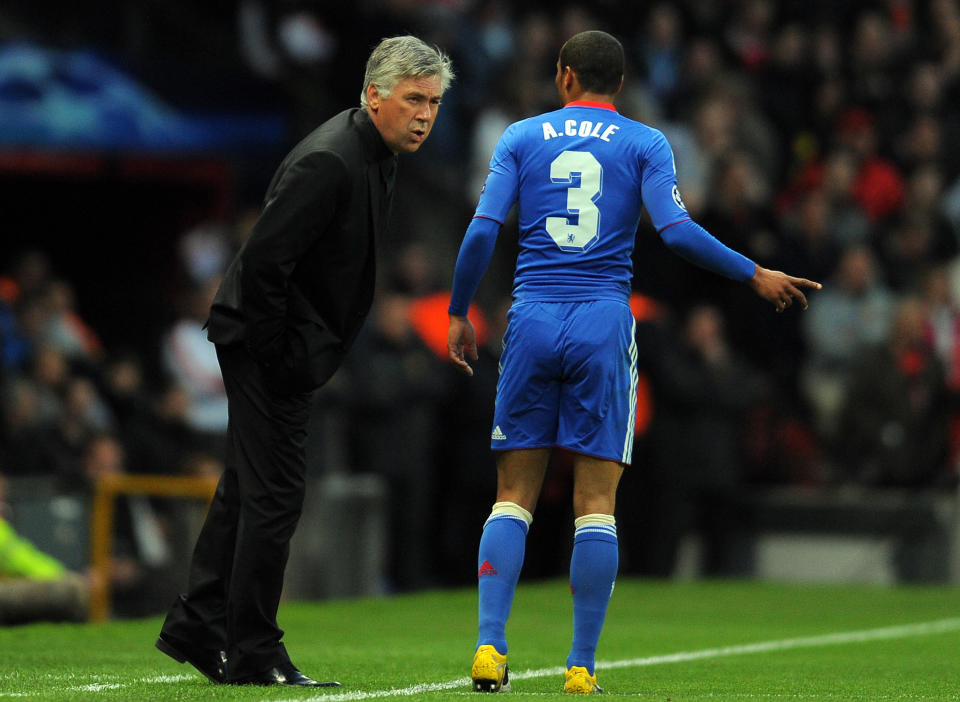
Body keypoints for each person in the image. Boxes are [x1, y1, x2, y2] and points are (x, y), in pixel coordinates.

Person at [446, 30, 820, 695]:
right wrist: (752, 271)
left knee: (514, 497)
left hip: (531, 318)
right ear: (619, 85)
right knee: (596, 506)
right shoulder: (647, 143)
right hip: (601, 321)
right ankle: (582, 667)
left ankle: (488, 647)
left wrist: (457, 310)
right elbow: (675, 232)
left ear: (564, 76)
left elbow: (482, 230)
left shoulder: (520, 137)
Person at [155, 35, 453, 687]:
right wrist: (281, 356)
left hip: (278, 342)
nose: (425, 114)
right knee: (276, 496)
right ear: (374, 95)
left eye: (433, 101)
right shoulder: (333, 159)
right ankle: (255, 649)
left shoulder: (371, 151)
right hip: (268, 343)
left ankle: (196, 625)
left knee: (248, 488)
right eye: (413, 100)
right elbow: (264, 261)